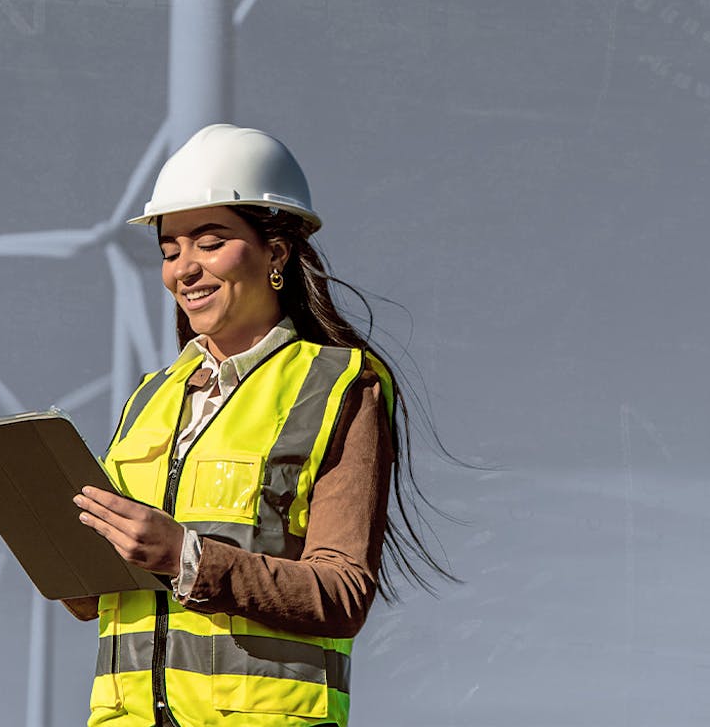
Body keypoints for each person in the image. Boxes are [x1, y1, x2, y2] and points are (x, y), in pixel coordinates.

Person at [66, 124, 456, 727]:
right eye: (169, 251)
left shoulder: (339, 384)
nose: (184, 269)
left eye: (210, 243)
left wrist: (186, 558)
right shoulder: (151, 397)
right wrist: (59, 551)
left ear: (275, 253)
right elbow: (96, 600)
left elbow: (342, 592)